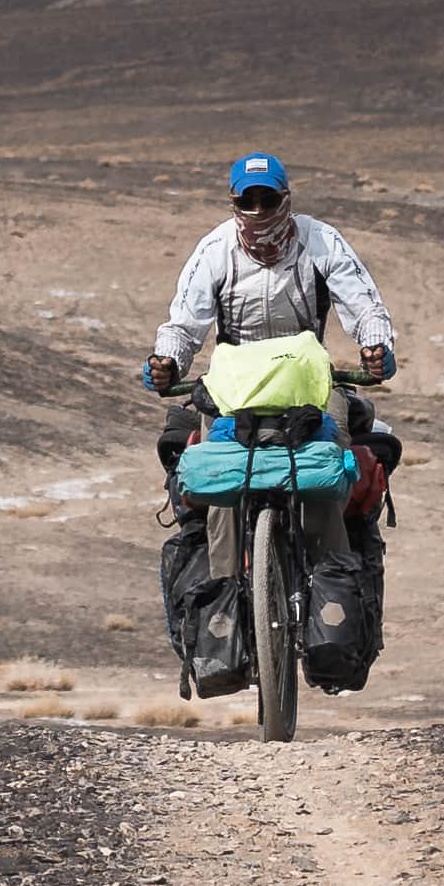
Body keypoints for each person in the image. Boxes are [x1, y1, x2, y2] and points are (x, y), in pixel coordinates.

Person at [144, 151, 398, 577]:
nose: (258, 211)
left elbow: (364, 304)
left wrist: (374, 346)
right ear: (234, 203)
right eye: (248, 201)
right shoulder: (215, 249)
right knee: (220, 481)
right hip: (233, 386)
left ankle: (332, 589)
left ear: (286, 198)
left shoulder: (320, 241)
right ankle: (222, 599)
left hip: (310, 383)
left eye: (268, 199)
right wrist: (167, 359)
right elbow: (185, 321)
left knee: (325, 468)